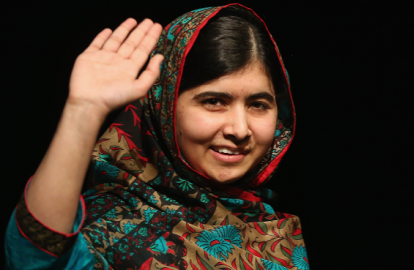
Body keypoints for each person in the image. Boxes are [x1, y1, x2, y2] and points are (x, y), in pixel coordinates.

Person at [5, 3, 309, 269]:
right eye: (214, 102)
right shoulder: (108, 224)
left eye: (258, 105)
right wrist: (84, 109)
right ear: (165, 108)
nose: (239, 130)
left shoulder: (272, 232)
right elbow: (37, 255)